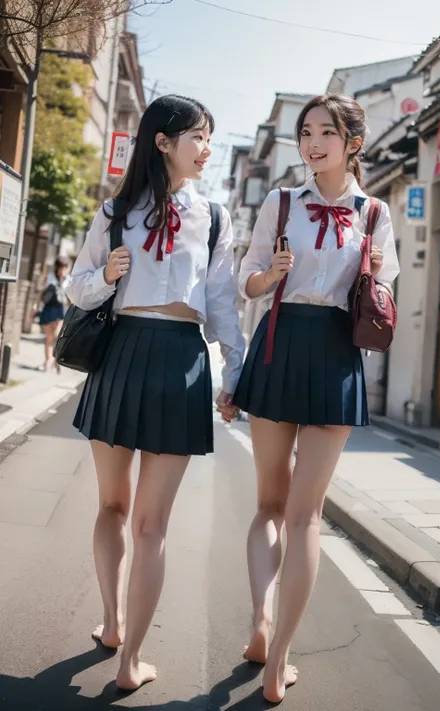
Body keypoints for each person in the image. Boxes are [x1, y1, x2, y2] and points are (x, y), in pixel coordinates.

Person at [66, 95, 245, 691]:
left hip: (182, 361)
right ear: (163, 142)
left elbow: (221, 302)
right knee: (112, 506)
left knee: (151, 524)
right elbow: (78, 287)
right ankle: (114, 624)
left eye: (210, 137)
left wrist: (234, 374)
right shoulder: (116, 211)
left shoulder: (215, 217)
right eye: (198, 136)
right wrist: (108, 275)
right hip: (120, 355)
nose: (207, 149)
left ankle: (130, 660)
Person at [232, 93, 400, 703]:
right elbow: (245, 279)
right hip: (278, 342)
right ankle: (261, 622)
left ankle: (279, 656)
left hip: (335, 353)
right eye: (306, 132)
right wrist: (272, 273)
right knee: (271, 502)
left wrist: (372, 272)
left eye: (326, 132)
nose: (312, 142)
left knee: (306, 513)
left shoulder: (376, 213)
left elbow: (380, 301)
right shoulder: (279, 203)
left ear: (353, 142)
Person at [38, 256, 71, 372]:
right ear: (57, 267)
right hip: (48, 309)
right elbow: (41, 293)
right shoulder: (49, 277)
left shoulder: (69, 280)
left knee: (56, 337)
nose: (63, 270)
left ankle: (52, 361)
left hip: (60, 310)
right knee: (49, 337)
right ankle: (47, 361)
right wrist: (36, 307)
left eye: (65, 267)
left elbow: (70, 299)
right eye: (61, 267)